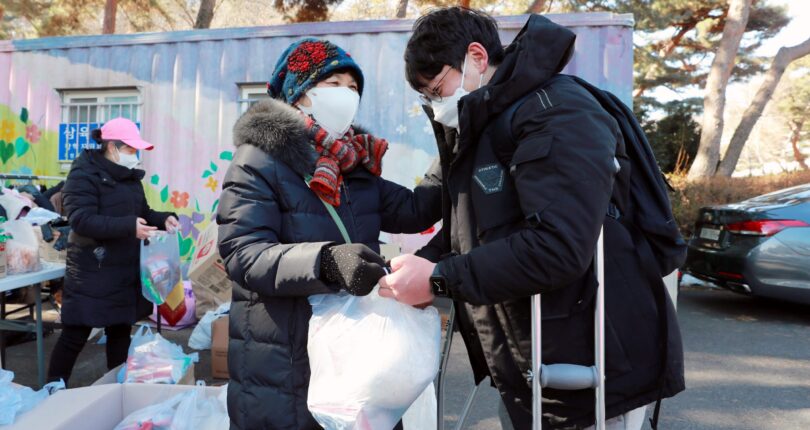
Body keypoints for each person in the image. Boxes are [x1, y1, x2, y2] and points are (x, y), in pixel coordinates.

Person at [379, 8, 685, 430]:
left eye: (437, 88)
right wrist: (415, 266)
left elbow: (558, 246)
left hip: (590, 365)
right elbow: (468, 232)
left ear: (477, 57)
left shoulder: (558, 112)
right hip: (531, 361)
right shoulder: (482, 123)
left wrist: (438, 278)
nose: (435, 104)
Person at [216, 38, 441, 429]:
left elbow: (416, 209)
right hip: (283, 365)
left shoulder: (353, 162)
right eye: (333, 84)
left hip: (352, 357)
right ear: (299, 94)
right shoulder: (258, 161)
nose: (347, 96)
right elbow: (244, 254)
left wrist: (451, 144)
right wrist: (327, 261)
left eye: (354, 88)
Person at [47, 118, 179, 385]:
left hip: (123, 269)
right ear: (112, 146)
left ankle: (116, 389)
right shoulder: (83, 174)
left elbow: (143, 213)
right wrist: (129, 227)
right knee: (75, 334)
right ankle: (51, 390)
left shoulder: (130, 179)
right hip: (92, 269)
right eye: (130, 149)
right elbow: (81, 219)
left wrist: (164, 218)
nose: (135, 155)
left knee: (120, 331)